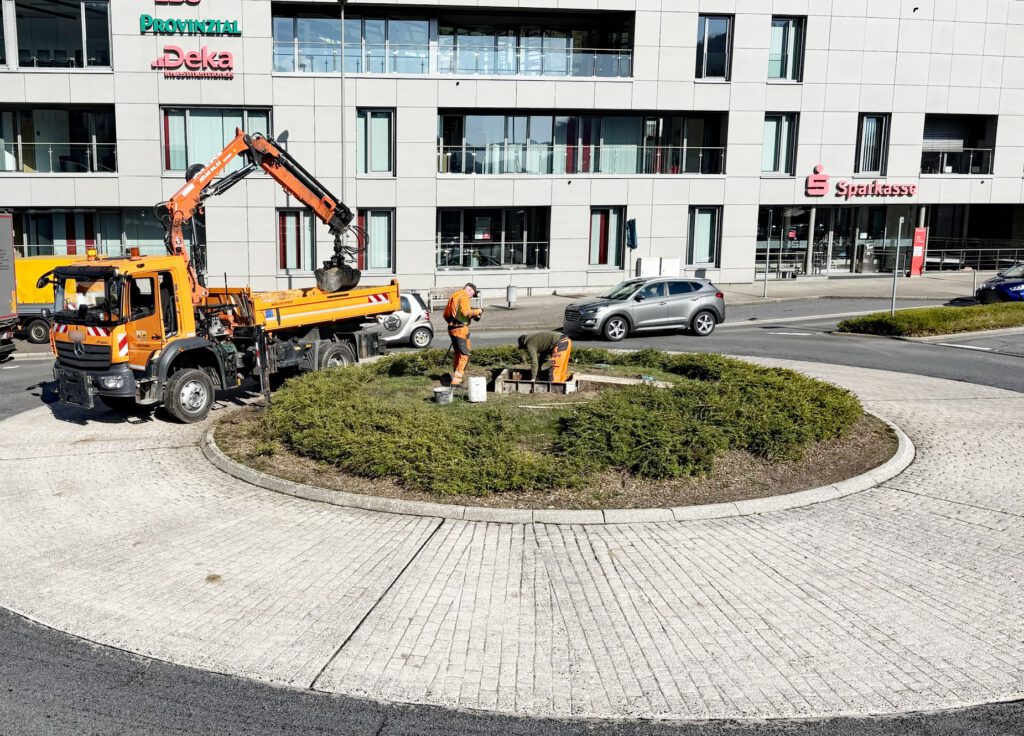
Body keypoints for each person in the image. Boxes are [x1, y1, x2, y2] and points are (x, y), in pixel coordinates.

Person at [443, 283, 482, 387]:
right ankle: (457, 381)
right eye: (472, 294)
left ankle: (456, 375)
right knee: (465, 355)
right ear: (469, 290)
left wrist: (453, 322)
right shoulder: (464, 296)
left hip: (452, 328)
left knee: (458, 354)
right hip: (460, 330)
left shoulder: (454, 295)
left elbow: (446, 314)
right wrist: (478, 311)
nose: (471, 297)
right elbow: (465, 312)